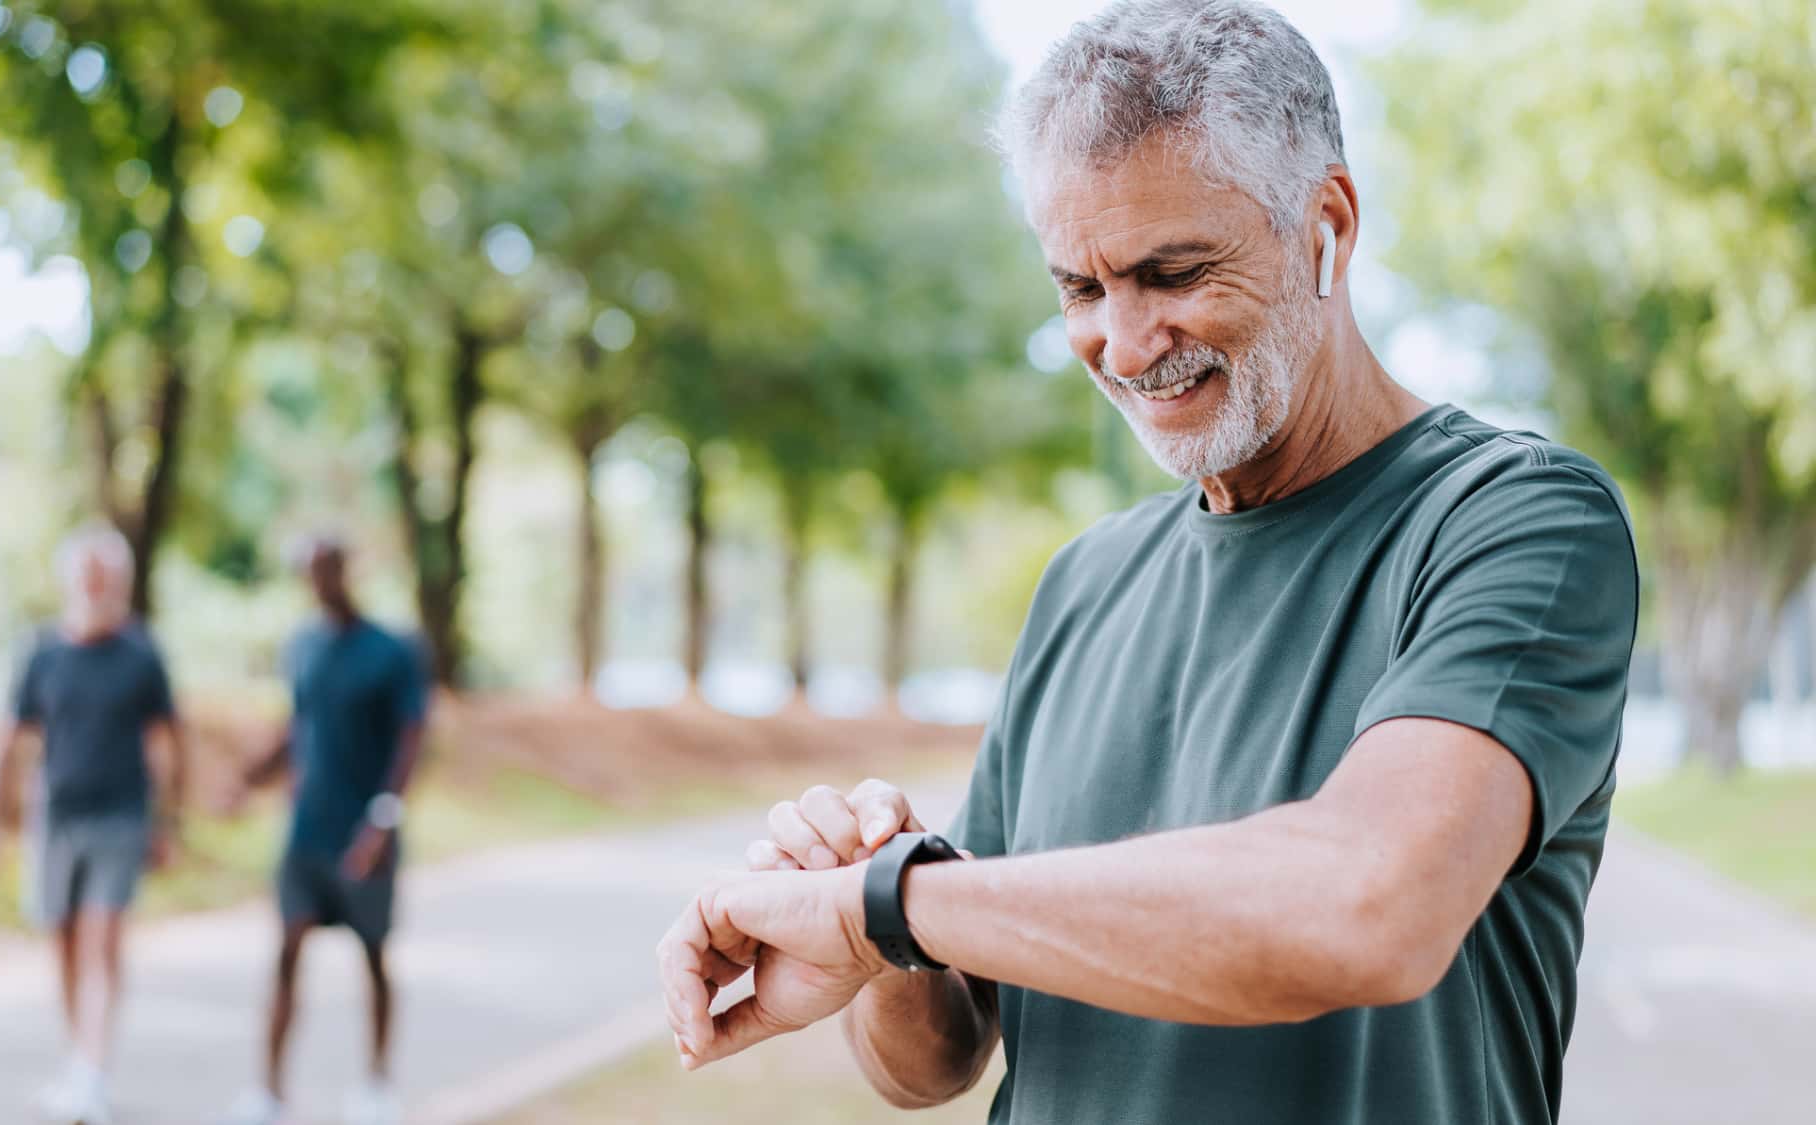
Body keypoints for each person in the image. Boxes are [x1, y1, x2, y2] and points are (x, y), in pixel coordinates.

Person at [655, 3, 1639, 1123]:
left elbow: (1366, 907)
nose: (1121, 348)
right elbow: (932, 1063)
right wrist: (874, 933)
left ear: (1325, 224)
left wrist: (894, 904)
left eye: (1171, 273)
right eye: (1079, 288)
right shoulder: (1083, 581)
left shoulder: (1512, 521)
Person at [0, 524, 187, 1125]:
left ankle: (93, 1071)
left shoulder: (142, 655)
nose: (95, 584)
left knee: (102, 939)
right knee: (61, 942)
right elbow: (5, 740)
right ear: (69, 580)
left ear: (120, 581)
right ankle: (78, 1064)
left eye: (105, 574)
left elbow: (167, 744)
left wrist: (168, 823)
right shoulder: (43, 652)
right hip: (55, 815)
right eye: (85, 573)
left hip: (121, 816)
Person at [221, 535, 427, 1125]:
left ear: (343, 569)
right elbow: (299, 728)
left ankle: (378, 1085)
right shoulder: (304, 646)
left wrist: (383, 819)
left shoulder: (391, 650)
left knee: (372, 955)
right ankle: (269, 1093)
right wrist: (247, 778)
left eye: (325, 569)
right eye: (307, 572)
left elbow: (412, 738)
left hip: (366, 831)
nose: (317, 581)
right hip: (307, 829)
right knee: (286, 948)